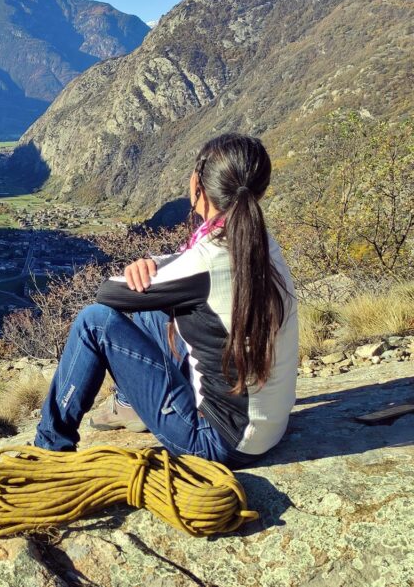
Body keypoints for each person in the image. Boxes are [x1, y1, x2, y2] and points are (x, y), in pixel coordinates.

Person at [33, 133, 298, 468]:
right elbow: (190, 271)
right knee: (150, 317)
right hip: (267, 429)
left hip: (216, 443)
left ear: (198, 186)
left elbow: (108, 295)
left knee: (95, 322)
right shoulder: (259, 243)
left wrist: (144, 266)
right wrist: (155, 264)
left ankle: (47, 449)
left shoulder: (203, 263)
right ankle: (131, 403)